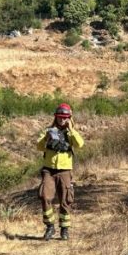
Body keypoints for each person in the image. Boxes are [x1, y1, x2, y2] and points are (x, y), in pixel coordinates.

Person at [37, 103, 84, 240]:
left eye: (65, 117)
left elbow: (80, 144)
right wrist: (47, 138)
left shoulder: (71, 133)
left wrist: (71, 130)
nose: (62, 120)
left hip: (64, 170)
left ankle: (64, 229)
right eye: (60, 117)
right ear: (55, 117)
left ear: (69, 118)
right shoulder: (48, 131)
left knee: (65, 200)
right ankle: (50, 227)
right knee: (45, 196)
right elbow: (39, 146)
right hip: (49, 170)